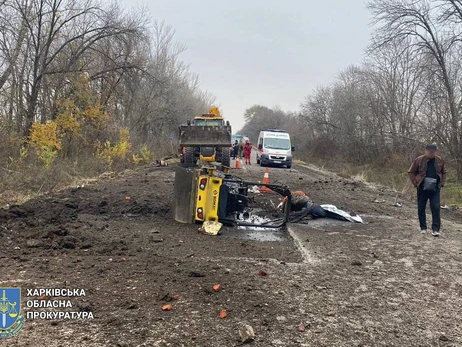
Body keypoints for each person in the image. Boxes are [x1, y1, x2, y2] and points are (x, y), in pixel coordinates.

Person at [408, 144, 446, 237]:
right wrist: (415, 183)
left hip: (435, 188)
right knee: (421, 207)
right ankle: (423, 228)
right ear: (425, 151)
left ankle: (435, 229)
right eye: (429, 152)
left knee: (436, 207)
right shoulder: (419, 160)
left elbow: (443, 172)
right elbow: (411, 171)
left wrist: (441, 183)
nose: (431, 154)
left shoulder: (440, 160)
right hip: (422, 187)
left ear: (435, 152)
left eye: (433, 152)